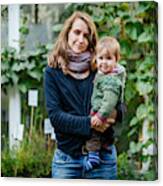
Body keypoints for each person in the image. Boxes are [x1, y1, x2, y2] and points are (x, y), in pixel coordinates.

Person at [44, 11, 123, 179]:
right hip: (67, 161)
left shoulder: (100, 66)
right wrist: (91, 124)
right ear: (67, 33)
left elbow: (120, 103)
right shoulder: (52, 72)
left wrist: (114, 114)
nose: (81, 40)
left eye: (86, 36)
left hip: (103, 159)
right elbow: (56, 117)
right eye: (77, 32)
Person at [84, 36, 126, 171]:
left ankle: (93, 157)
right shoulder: (102, 75)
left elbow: (109, 101)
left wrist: (100, 116)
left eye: (109, 59)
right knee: (97, 136)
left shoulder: (111, 80)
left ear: (116, 60)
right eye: (101, 58)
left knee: (94, 135)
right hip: (99, 111)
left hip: (101, 113)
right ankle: (95, 155)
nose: (104, 62)